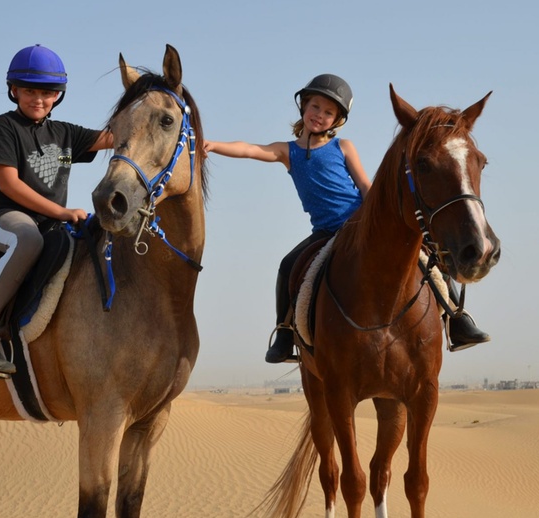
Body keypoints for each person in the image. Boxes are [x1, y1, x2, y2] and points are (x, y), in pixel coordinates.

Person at [204, 74, 490, 363]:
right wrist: (214, 145)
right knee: (288, 264)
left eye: (328, 112)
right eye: (315, 107)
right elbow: (250, 149)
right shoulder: (286, 151)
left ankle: (457, 319)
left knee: (425, 256)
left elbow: (366, 186)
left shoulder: (343, 147)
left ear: (337, 120)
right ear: (303, 106)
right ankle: (285, 333)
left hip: (361, 223)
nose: (320, 115)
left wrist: (377, 217)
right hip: (326, 231)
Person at [0, 44, 113, 377]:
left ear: (58, 95)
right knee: (28, 241)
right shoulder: (3, 128)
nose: (38, 99)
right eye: (29, 90)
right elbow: (9, 185)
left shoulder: (65, 139)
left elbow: (112, 139)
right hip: (4, 218)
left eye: (47, 92)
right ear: (14, 90)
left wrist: (149, 110)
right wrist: (62, 212)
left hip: (51, 225)